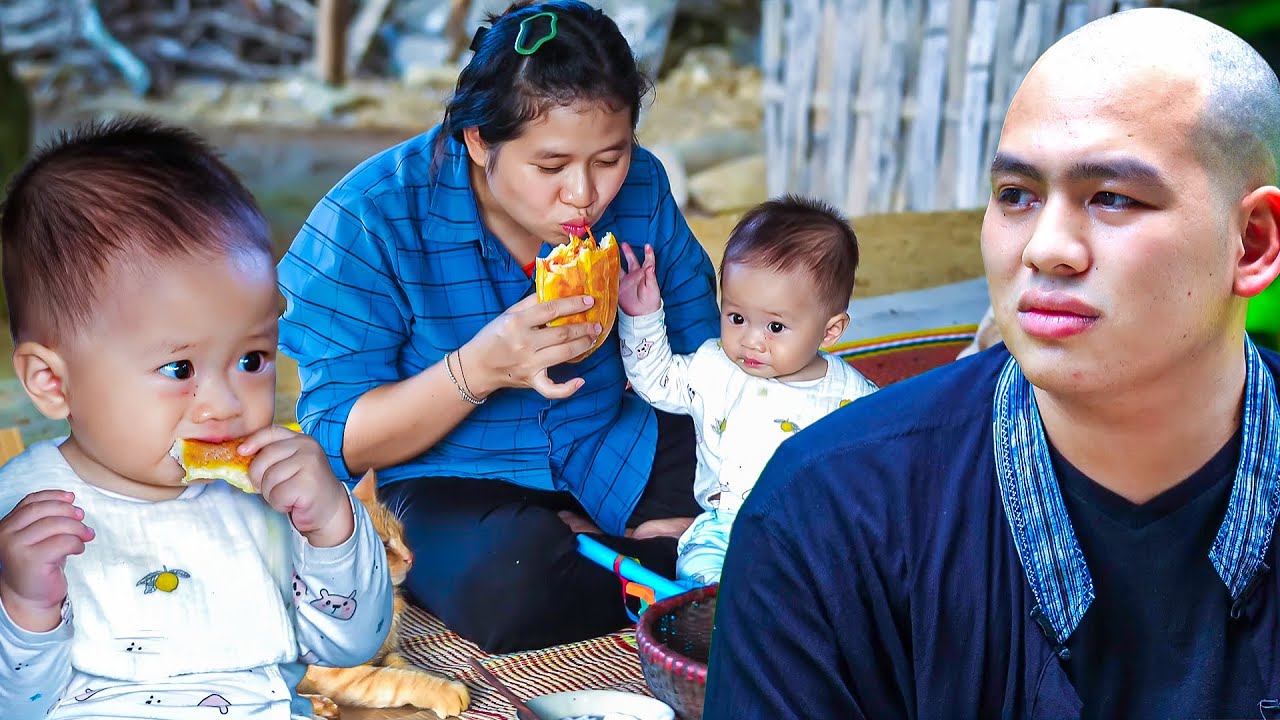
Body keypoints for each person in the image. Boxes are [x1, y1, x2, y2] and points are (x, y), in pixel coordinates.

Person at [704, 8, 1280, 719]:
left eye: (1111, 197)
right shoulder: (828, 519)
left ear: (1251, 244)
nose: (1045, 248)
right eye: (1017, 196)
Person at [277, 0, 719, 653]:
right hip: (447, 477)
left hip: (615, 440)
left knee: (781, 483)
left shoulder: (643, 189)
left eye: (610, 157)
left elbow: (704, 356)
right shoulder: (369, 220)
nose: (584, 194)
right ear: (479, 140)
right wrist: (479, 367)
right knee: (511, 585)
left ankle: (616, 556)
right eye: (551, 166)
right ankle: (672, 569)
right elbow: (342, 440)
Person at [0, 118, 393, 719]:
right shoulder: (25, 513)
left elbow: (352, 645)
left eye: (251, 359)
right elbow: (17, 706)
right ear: (54, 383)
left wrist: (333, 530)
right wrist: (25, 606)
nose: (226, 404)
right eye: (179, 369)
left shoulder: (269, 494)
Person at [617, 195, 877, 584]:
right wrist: (642, 316)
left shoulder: (850, 398)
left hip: (805, 539)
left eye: (775, 327)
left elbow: (885, 463)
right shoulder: (715, 367)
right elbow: (656, 382)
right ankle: (718, 611)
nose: (751, 341)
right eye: (736, 317)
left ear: (830, 330)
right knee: (701, 574)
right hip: (723, 530)